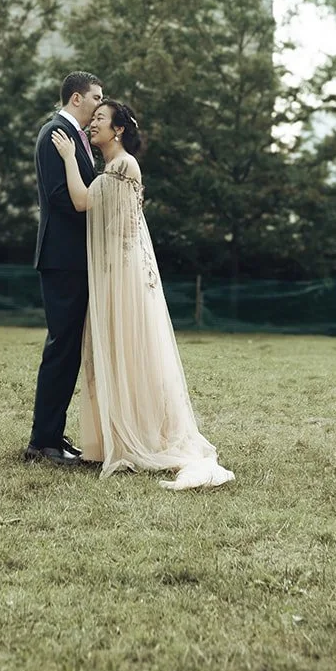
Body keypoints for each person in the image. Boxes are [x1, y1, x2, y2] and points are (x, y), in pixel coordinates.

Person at [50, 100, 234, 491]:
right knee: (113, 350)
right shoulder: (112, 167)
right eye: (93, 117)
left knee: (129, 349)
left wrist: (68, 156)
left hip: (123, 273)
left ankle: (143, 435)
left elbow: (83, 202)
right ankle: (115, 433)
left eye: (100, 119)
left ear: (118, 130)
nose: (93, 124)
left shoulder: (123, 165)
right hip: (115, 270)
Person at [25, 72, 104, 466]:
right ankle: (42, 443)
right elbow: (60, 198)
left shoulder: (77, 138)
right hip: (63, 259)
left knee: (70, 349)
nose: (100, 105)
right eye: (96, 97)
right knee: (61, 348)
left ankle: (52, 434)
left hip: (75, 259)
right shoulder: (54, 133)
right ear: (77, 98)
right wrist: (101, 223)